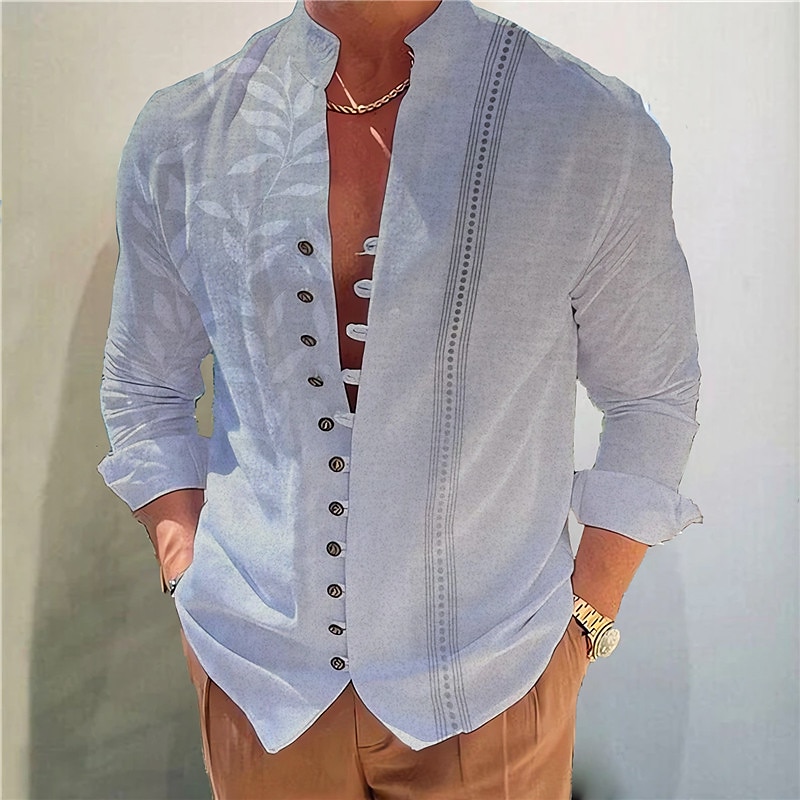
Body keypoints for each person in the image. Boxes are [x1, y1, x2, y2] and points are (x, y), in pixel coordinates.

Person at [97, 0, 702, 797]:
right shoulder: (185, 132)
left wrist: (586, 621)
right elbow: (144, 385)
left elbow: (653, 396)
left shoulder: (586, 128)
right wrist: (184, 568)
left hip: (494, 681)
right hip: (258, 683)